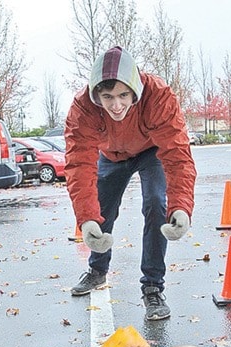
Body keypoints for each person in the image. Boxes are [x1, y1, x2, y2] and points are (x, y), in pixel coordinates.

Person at [64, 46, 196, 321]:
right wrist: (86, 220)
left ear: (135, 89)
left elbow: (177, 155)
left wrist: (181, 207)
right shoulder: (83, 107)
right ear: (95, 94)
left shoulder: (158, 95)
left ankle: (152, 286)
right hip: (110, 155)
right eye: (107, 96)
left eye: (124, 95)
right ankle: (98, 271)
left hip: (151, 152)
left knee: (156, 204)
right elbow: (79, 163)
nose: (116, 105)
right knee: (102, 209)